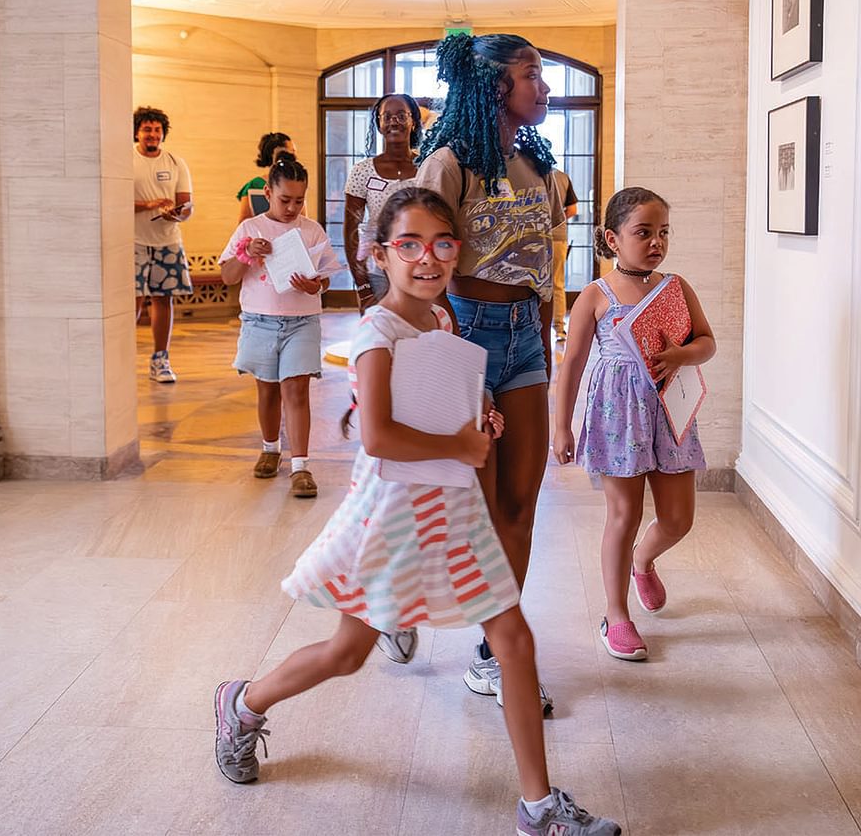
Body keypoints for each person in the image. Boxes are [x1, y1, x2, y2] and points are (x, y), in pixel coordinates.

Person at [213, 186, 621, 836]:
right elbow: (376, 437)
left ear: (457, 253)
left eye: (442, 244)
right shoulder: (378, 332)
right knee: (348, 653)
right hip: (396, 514)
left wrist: (477, 418)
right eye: (409, 244)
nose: (427, 258)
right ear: (380, 254)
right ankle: (243, 703)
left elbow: (444, 402)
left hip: (454, 506)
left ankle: (538, 806)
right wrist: (460, 443)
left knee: (513, 640)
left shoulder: (442, 321)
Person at [415, 32, 563, 713]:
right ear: (494, 85)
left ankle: (492, 653)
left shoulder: (538, 163)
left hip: (525, 339)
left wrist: (547, 339)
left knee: (519, 507)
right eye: (532, 74)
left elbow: (545, 264)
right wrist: (444, 352)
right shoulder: (448, 163)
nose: (544, 86)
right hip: (464, 334)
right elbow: (419, 270)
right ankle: (395, 603)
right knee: (469, 509)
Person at [552, 187, 716, 660]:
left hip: (669, 412)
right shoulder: (595, 296)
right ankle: (616, 615)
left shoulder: (676, 288)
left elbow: (706, 342)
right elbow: (572, 365)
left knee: (678, 519)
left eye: (663, 232)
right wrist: (562, 426)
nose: (655, 242)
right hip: (618, 415)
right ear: (612, 237)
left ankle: (643, 561)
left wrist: (682, 353)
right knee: (623, 517)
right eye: (643, 232)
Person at [219, 156, 338, 492]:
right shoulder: (250, 229)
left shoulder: (311, 230)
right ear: (268, 193)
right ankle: (270, 448)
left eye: (299, 200)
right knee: (268, 390)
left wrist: (314, 285)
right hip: (259, 321)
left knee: (297, 390)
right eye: (285, 199)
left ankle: (301, 467)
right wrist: (246, 255)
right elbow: (227, 277)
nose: (292, 208)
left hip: (302, 321)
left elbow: (325, 278)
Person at [344, 93, 423, 313]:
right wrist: (363, 285)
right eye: (386, 116)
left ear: (413, 122)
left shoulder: (428, 166)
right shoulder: (362, 171)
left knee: (417, 338)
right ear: (379, 124)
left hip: (419, 269)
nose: (394, 121)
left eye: (401, 115)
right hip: (377, 272)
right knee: (379, 341)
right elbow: (351, 231)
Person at [133, 106, 194, 384]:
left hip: (167, 241)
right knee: (130, 302)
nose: (152, 134)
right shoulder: (124, 160)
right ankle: (120, 357)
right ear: (137, 132)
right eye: (147, 129)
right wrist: (149, 205)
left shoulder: (175, 162)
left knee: (163, 299)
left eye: (157, 130)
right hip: (132, 241)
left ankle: (160, 359)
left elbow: (186, 206)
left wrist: (176, 212)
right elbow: (112, 199)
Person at [236, 132, 296, 220]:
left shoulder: (295, 183)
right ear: (275, 154)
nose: (294, 157)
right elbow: (244, 223)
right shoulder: (254, 185)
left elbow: (302, 220)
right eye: (292, 152)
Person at [550, 168, 579, 343]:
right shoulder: (562, 177)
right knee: (557, 283)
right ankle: (559, 329)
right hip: (558, 237)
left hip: (531, 237)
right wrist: (557, 219)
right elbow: (573, 209)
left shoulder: (529, 173)